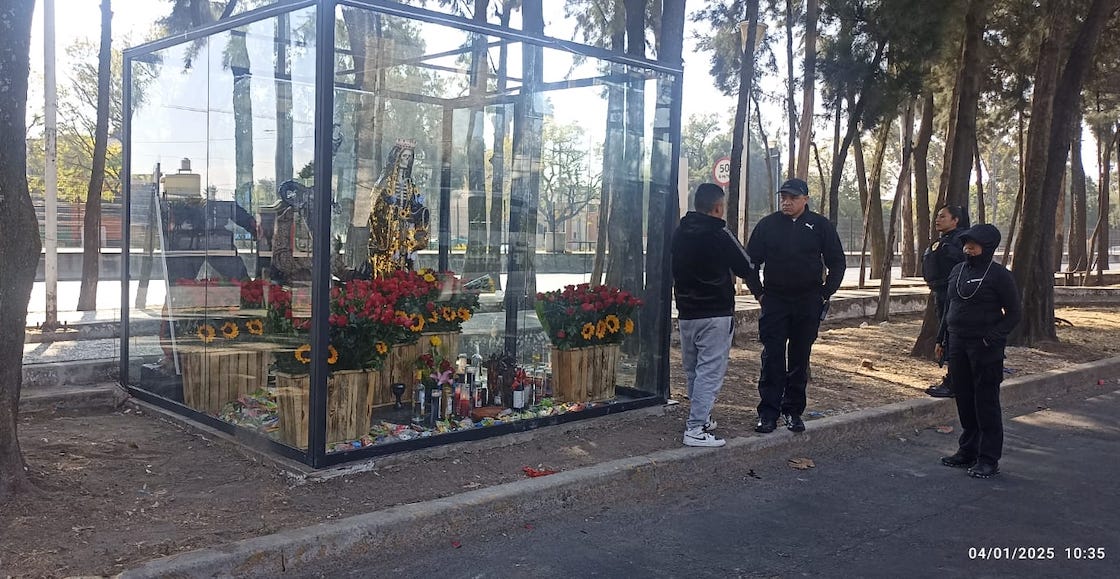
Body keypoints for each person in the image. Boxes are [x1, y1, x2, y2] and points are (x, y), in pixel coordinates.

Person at [744, 178, 846, 434]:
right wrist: (759, 293)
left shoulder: (820, 226)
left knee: (800, 358)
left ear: (805, 199)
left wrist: (824, 294)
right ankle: (768, 412)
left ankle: (793, 411)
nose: (786, 202)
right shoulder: (768, 225)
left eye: (792, 198)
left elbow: (837, 263)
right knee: (772, 356)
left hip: (807, 301)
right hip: (775, 301)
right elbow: (750, 263)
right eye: (784, 197)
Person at [671, 183, 757, 447]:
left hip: (686, 312)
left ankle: (703, 417)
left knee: (693, 370)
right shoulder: (720, 233)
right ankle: (695, 429)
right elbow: (746, 265)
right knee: (710, 371)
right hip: (715, 313)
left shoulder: (679, 232)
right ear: (718, 208)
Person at [936, 224, 1020, 479]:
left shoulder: (999, 276)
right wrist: (942, 339)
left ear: (988, 248)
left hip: (985, 348)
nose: (967, 249)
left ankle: (988, 458)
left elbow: (1014, 314)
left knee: (985, 403)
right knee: (964, 399)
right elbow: (949, 306)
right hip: (957, 344)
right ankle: (967, 450)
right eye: (965, 244)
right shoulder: (957, 271)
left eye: (973, 245)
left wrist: (991, 337)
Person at [922, 204, 970, 398]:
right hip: (940, 292)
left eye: (943, 216)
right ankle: (954, 378)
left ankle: (954, 382)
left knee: (951, 336)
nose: (938, 220)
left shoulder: (960, 240)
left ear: (955, 220)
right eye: (937, 216)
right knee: (946, 335)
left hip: (954, 294)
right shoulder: (944, 240)